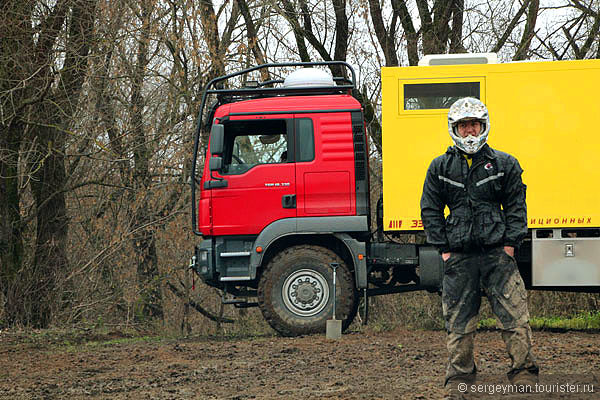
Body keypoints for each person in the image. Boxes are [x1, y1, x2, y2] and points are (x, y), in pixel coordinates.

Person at [420, 97, 539, 399]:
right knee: (458, 323)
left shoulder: (504, 164)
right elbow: (430, 210)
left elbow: (516, 206)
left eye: (474, 124)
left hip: (498, 255)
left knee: (515, 317)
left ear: (483, 126)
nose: (470, 131)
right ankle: (459, 377)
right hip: (459, 258)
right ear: (455, 129)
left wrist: (511, 245)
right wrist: (444, 249)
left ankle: (523, 372)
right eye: (464, 126)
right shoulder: (440, 167)